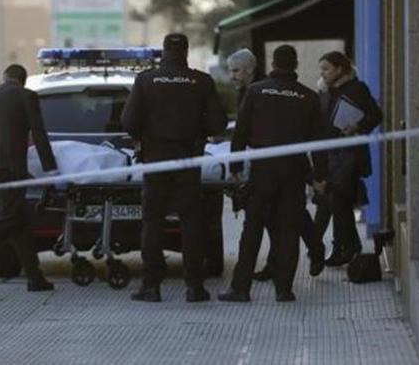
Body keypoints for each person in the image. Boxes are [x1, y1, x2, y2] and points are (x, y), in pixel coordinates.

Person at [121, 33, 227, 303]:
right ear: (186, 52)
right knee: (191, 222)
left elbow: (129, 120)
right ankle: (194, 286)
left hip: (155, 160)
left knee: (153, 222)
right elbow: (218, 123)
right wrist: (199, 132)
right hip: (188, 161)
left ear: (163, 52)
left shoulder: (146, 80)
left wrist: (142, 137)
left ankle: (151, 286)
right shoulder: (201, 81)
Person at [219, 45, 324, 303]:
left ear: (273, 63)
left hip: (263, 168)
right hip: (293, 169)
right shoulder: (308, 96)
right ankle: (284, 289)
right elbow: (320, 142)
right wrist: (319, 176)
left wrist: (234, 168)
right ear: (295, 64)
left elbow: (240, 132)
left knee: (252, 229)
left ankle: (240, 288)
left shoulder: (255, 92)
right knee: (289, 229)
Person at [0, 64, 58, 292]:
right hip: (9, 167)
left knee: (19, 221)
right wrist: (50, 168)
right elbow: (38, 132)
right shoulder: (27, 96)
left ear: (5, 77)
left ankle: (35, 278)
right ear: (23, 80)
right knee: (7, 220)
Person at [314, 51, 383, 267]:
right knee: (335, 203)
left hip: (349, 156)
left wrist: (357, 127)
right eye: (321, 69)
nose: (322, 73)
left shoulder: (357, 89)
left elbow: (375, 115)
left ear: (340, 69)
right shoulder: (328, 91)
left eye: (326, 68)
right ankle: (346, 246)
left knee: (339, 201)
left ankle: (344, 247)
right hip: (331, 155)